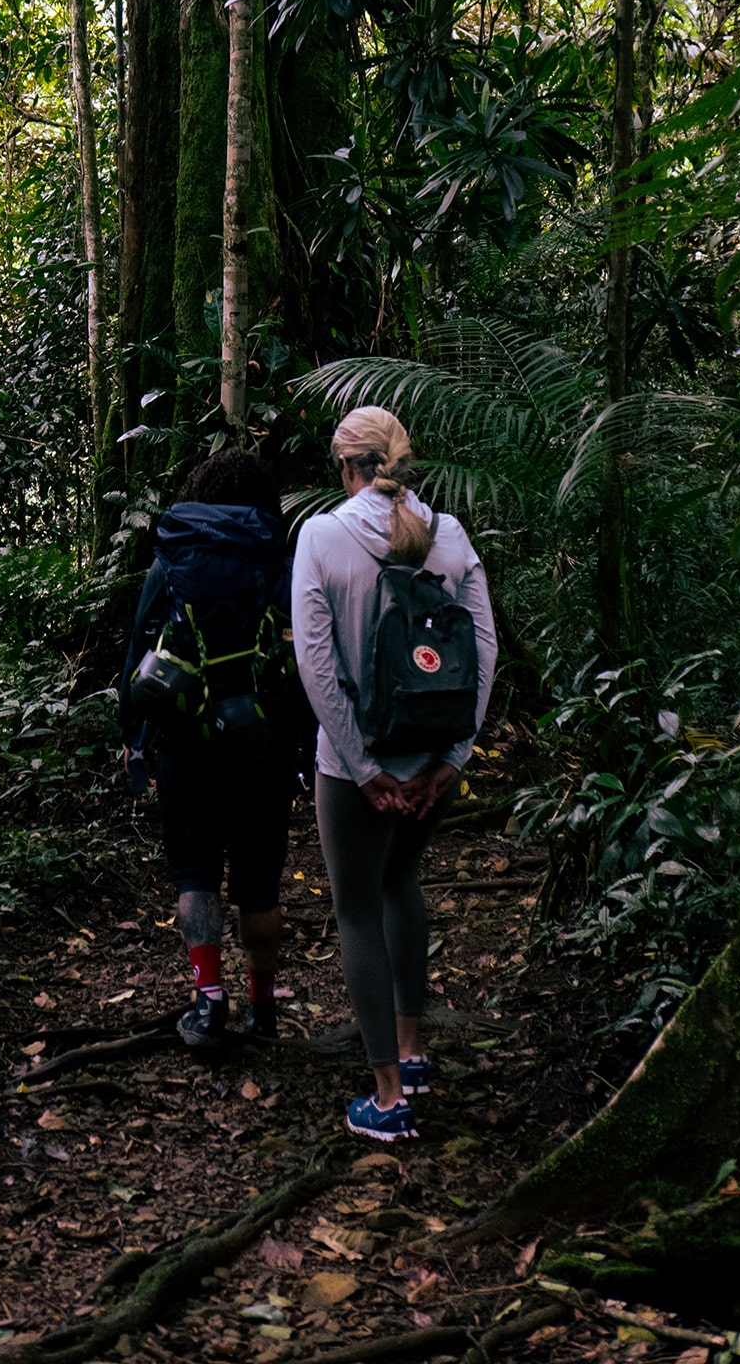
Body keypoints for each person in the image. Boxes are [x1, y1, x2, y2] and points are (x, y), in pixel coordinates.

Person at [291, 405, 497, 1141]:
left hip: (355, 769)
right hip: (432, 760)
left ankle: (386, 1100)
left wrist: (365, 769)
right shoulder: (450, 536)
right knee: (401, 885)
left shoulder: (321, 537)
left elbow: (316, 666)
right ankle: (413, 1054)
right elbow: (484, 650)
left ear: (346, 467)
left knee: (355, 910)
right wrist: (451, 759)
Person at [120, 447, 308, 1050]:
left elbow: (140, 653)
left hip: (184, 742)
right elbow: (303, 654)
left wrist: (135, 740)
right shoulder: (279, 559)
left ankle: (207, 1003)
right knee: (259, 885)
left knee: (194, 870)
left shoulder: (172, 560)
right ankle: (262, 1007)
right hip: (265, 745)